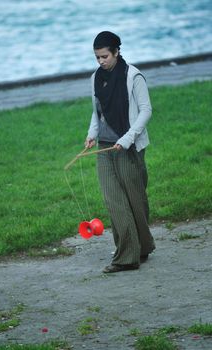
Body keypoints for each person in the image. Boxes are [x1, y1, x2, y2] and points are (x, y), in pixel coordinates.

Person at [85, 31, 155, 273]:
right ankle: (126, 256)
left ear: (116, 52)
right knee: (113, 200)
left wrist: (126, 140)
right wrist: (91, 135)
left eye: (104, 56)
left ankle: (143, 247)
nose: (101, 61)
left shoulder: (133, 76)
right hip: (105, 147)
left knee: (135, 199)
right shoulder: (95, 78)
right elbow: (97, 112)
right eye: (97, 58)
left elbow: (146, 111)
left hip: (128, 145)